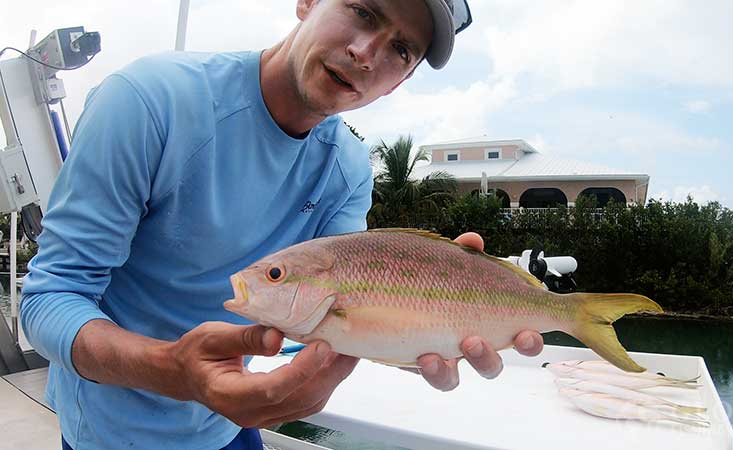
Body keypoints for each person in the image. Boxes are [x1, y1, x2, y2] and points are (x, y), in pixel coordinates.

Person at [20, 1, 545, 449]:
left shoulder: (349, 168)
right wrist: (174, 370)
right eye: (362, 10)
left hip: (228, 421)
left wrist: (419, 327)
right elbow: (49, 298)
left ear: (398, 84)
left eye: (401, 50)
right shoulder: (146, 102)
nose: (367, 53)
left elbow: (342, 310)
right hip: (111, 432)